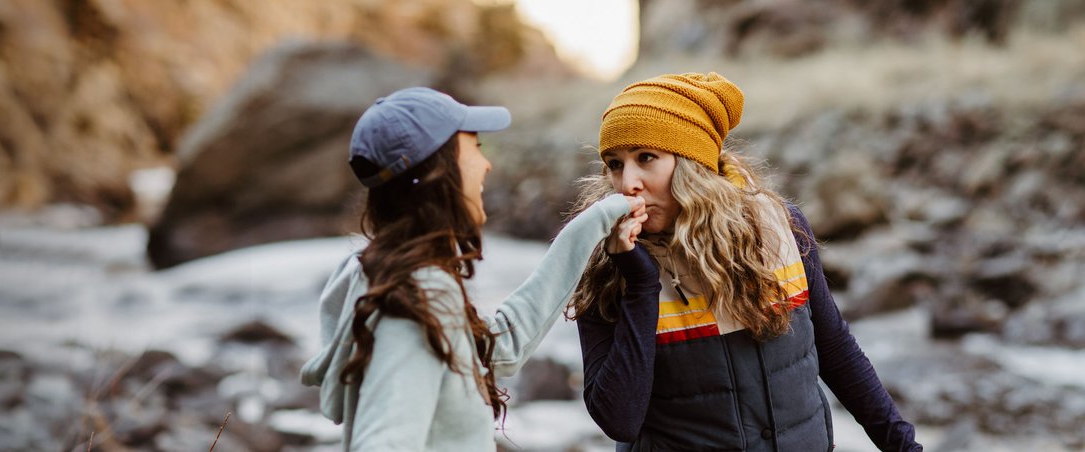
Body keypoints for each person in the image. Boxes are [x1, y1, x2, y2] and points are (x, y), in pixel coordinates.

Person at [567, 72, 922, 451]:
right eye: (615, 164)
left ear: (692, 164)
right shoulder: (604, 264)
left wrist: (903, 445)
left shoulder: (779, 226)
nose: (627, 183)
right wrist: (639, 283)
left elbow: (834, 347)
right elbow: (619, 419)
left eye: (646, 158)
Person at [299, 87, 646, 451]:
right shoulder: (414, 299)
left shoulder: (381, 277)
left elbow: (502, 345)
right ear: (438, 169)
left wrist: (594, 222)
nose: (487, 164)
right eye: (474, 149)